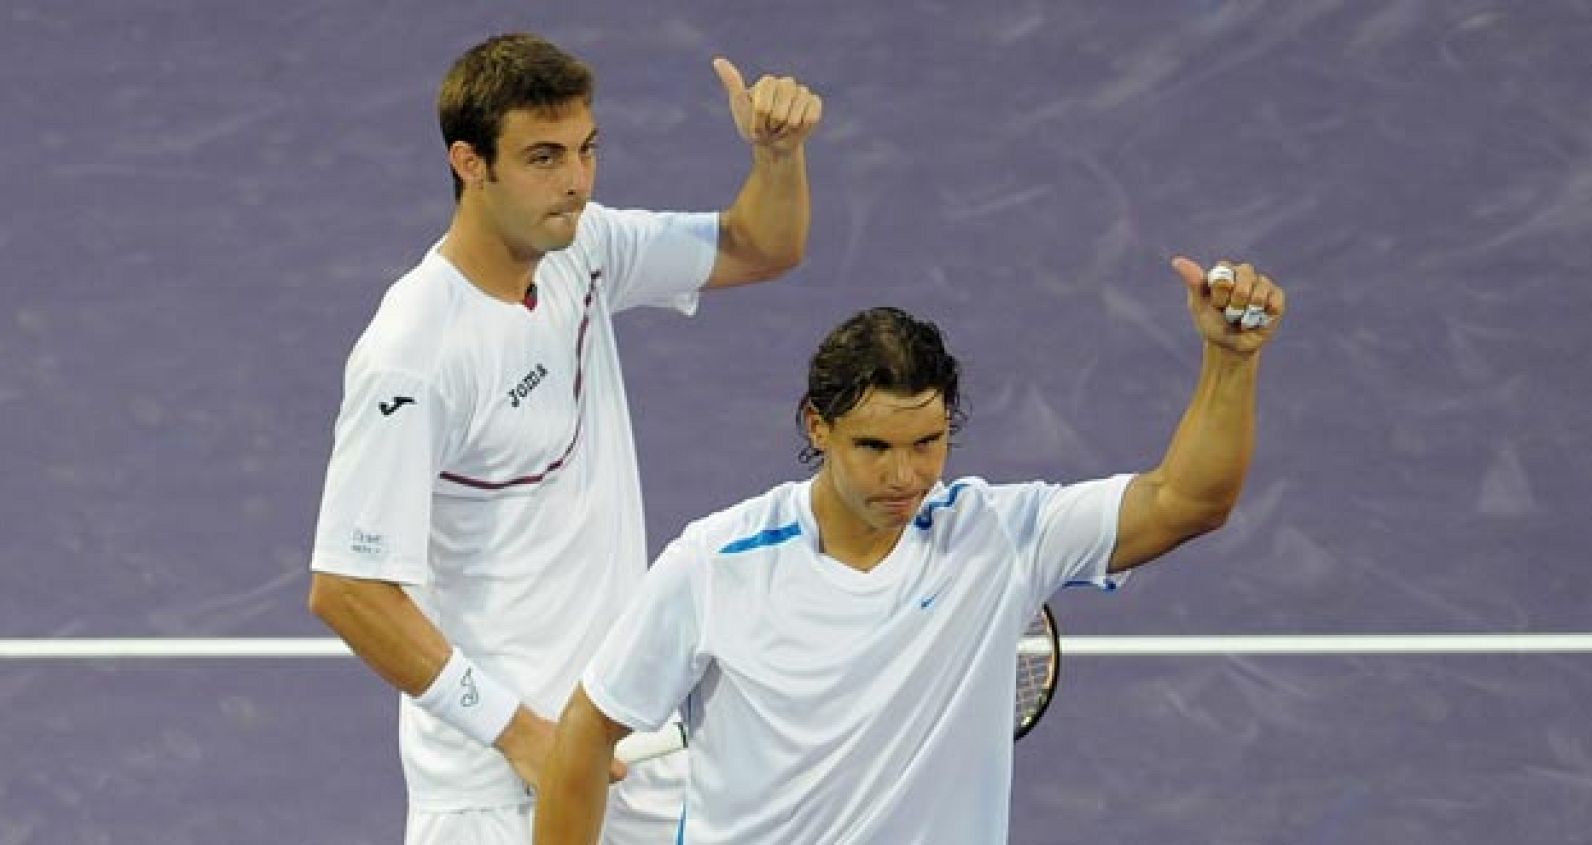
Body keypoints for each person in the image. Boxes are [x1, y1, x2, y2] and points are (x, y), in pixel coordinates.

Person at [533, 258, 1285, 843]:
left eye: (929, 443)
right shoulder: (716, 562)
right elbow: (589, 726)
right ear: (817, 427)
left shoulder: (1002, 537)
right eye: (875, 446)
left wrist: (1231, 361)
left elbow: (1189, 501)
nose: (906, 476)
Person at [306, 32, 822, 844]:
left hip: (626, 752)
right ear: (470, 163)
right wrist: (519, 733)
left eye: (586, 150)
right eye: (544, 157)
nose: (576, 181)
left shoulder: (581, 249)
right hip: (498, 788)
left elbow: (761, 245)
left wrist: (778, 155)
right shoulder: (413, 352)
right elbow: (347, 588)